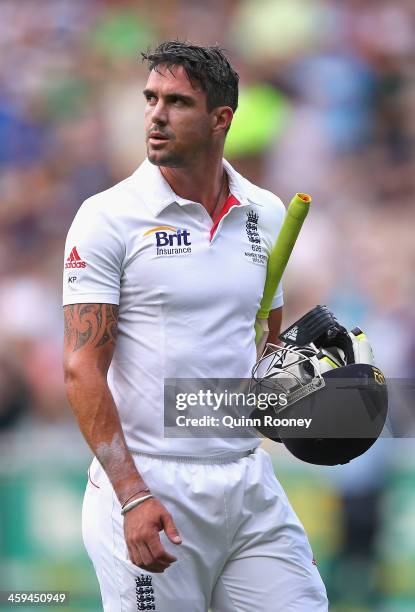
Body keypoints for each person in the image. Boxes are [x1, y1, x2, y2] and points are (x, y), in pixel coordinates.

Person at [63, 41, 328, 612]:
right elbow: (82, 368)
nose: (156, 115)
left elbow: (265, 350)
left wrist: (311, 398)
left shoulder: (266, 212)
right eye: (151, 98)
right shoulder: (107, 216)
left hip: (248, 482)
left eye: (177, 102)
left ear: (220, 119)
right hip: (149, 487)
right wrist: (132, 496)